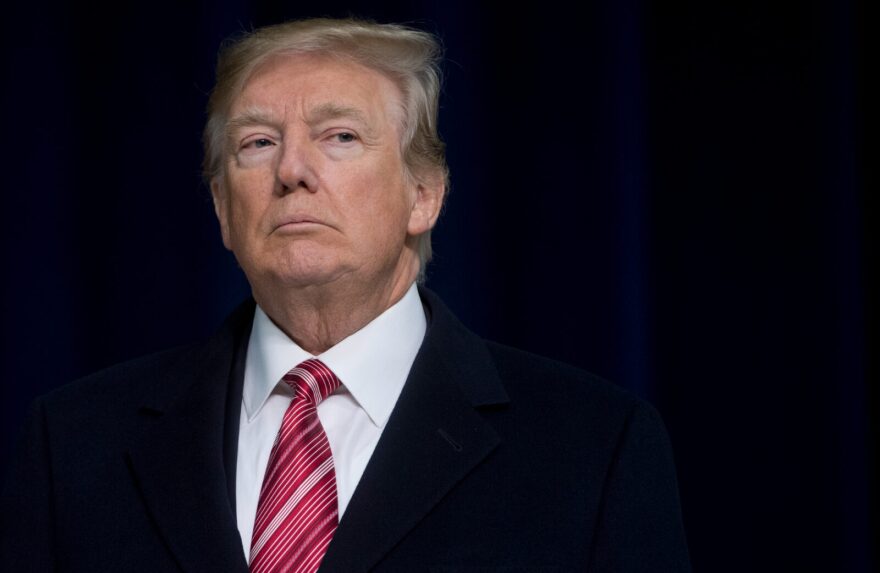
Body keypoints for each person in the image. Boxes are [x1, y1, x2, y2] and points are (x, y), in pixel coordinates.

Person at [0, 17, 690, 572]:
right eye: (258, 142)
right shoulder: (74, 443)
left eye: (339, 136)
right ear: (220, 207)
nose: (293, 170)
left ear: (424, 193)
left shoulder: (593, 447)